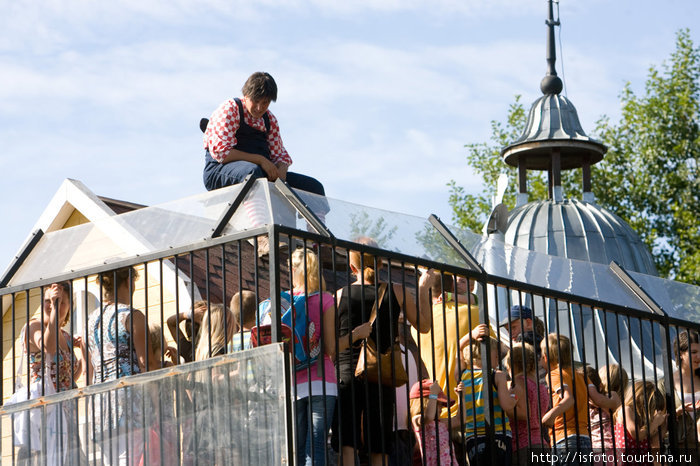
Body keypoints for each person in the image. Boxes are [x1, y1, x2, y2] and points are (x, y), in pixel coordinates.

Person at [334, 237, 431, 466]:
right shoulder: (396, 291)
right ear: (380, 264)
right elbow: (424, 326)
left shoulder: (339, 296)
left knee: (347, 440)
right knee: (380, 440)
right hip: (382, 371)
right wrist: (423, 288)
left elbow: (333, 343)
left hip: (348, 371)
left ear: (352, 267)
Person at [202, 72, 326, 197]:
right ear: (246, 95)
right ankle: (259, 216)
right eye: (255, 101)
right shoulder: (230, 110)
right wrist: (261, 160)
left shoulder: (269, 120)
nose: (259, 107)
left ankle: (299, 216)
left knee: (314, 187)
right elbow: (222, 153)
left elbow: (280, 156)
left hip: (259, 173)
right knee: (253, 174)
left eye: (265, 103)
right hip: (219, 170)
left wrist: (281, 173)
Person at [15, 281, 88, 465]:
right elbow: (48, 347)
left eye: (60, 302)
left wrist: (84, 354)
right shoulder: (33, 327)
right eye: (48, 300)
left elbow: (67, 378)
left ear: (70, 306)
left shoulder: (66, 337)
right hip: (44, 414)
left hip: (66, 415)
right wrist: (55, 309)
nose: (52, 305)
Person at [289, 248, 345, 466]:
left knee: (297, 447)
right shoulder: (325, 298)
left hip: (294, 381)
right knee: (317, 446)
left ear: (293, 270)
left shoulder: (285, 301)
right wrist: (355, 335)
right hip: (323, 382)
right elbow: (331, 348)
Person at [88, 267, 148, 465]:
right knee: (129, 457)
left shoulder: (91, 320)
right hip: (128, 400)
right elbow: (145, 363)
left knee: (111, 460)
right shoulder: (131, 316)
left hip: (100, 402)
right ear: (129, 281)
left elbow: (92, 365)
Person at [457, 335, 515, 465]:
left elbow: (457, 348)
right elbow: (506, 405)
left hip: (473, 436)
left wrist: (472, 334)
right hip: (499, 433)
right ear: (485, 352)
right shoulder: (497, 375)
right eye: (496, 353)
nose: (498, 357)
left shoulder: (462, 375)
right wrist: (513, 397)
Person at [540, 334, 591, 466]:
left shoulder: (554, 375)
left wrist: (550, 416)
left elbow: (568, 399)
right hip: (585, 438)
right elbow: (598, 399)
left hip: (564, 438)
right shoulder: (581, 376)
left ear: (546, 358)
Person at [504, 342, 550, 465]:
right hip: (542, 445)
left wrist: (504, 405)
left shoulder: (518, 383)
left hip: (523, 446)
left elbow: (524, 413)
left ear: (512, 364)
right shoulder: (541, 388)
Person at [613, 381, 667, 466]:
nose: (653, 412)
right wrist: (654, 423)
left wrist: (665, 424)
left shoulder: (643, 419)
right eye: (651, 408)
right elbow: (637, 435)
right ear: (641, 400)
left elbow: (654, 442)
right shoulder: (626, 410)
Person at [409, 379, 459, 465]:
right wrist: (433, 395)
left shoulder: (439, 424)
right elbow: (428, 417)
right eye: (438, 404)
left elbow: (458, 420)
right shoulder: (416, 419)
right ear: (425, 402)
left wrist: (461, 397)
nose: (441, 409)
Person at [585, 364, 625, 453]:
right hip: (594, 448)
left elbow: (603, 402)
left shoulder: (611, 396)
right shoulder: (585, 405)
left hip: (610, 446)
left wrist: (594, 398)